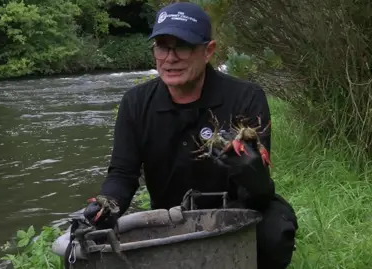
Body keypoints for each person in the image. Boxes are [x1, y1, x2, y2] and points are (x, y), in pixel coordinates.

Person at [83, 2, 298, 269]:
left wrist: (251, 174)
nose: (170, 58)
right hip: (170, 216)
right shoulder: (135, 103)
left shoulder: (246, 97)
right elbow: (122, 175)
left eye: (182, 46)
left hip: (237, 212)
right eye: (162, 46)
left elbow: (260, 196)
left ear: (208, 51)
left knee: (274, 229)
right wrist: (108, 204)